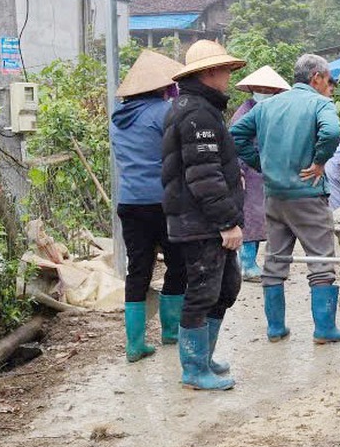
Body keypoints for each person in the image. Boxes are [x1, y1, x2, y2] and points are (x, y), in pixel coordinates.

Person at [230, 54, 340, 345]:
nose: (329, 85)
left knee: (274, 260)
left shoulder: (267, 106)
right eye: (328, 79)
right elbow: (332, 131)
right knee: (321, 260)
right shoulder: (320, 103)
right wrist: (321, 161)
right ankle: (324, 330)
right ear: (316, 78)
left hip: (274, 197)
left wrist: (260, 164)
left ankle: (275, 328)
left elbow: (234, 135)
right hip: (308, 195)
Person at [162, 40, 246, 391]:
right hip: (202, 224)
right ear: (209, 72)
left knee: (225, 288)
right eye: (225, 70)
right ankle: (193, 370)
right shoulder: (197, 115)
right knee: (202, 292)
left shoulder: (200, 108)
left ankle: (204, 357)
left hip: (202, 221)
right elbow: (204, 175)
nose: (229, 76)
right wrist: (227, 221)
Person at [110, 50, 188, 363]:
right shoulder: (165, 112)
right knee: (177, 263)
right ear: (160, 86)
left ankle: (135, 344)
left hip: (130, 202)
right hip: (163, 201)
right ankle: (171, 332)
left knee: (138, 270)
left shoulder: (118, 118)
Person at [230, 66, 292, 282]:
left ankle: (245, 263)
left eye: (270, 89)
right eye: (262, 88)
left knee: (260, 219)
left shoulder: (269, 111)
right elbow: (235, 143)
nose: (266, 91)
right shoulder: (244, 113)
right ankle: (247, 265)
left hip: (263, 174)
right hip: (248, 174)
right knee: (251, 219)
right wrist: (239, 172)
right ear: (253, 88)